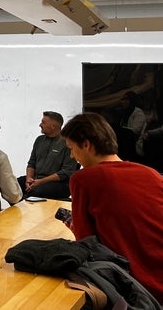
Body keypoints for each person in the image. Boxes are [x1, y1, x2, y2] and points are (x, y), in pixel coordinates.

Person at [61, 112, 163, 302]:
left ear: (86, 145)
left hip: (139, 290)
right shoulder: (151, 174)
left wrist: (76, 229)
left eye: (72, 149)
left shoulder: (83, 179)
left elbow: (86, 244)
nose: (72, 156)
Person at [17, 111, 79, 199]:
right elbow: (31, 163)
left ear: (53, 126)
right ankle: (18, 210)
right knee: (13, 186)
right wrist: (29, 179)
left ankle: (25, 209)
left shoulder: (67, 142)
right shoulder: (39, 140)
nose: (40, 125)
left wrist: (41, 181)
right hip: (37, 179)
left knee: (36, 192)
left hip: (59, 184)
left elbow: (67, 172)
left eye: (43, 122)